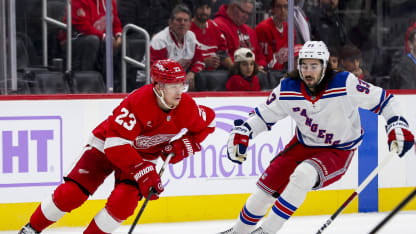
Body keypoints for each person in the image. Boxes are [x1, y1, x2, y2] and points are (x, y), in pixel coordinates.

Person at [218, 41, 414, 234]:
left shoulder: (344, 83)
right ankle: (238, 232)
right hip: (302, 145)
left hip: (338, 150)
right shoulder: (288, 87)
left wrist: (396, 124)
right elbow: (262, 116)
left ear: (325, 66)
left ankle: (267, 231)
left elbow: (386, 101)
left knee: (303, 175)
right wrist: (244, 131)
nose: (308, 71)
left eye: (314, 65)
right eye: (304, 65)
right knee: (264, 192)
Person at [19, 59, 216, 234]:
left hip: (143, 155)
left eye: (181, 84)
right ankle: (31, 229)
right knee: (73, 193)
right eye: (172, 85)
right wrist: (143, 170)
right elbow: (115, 146)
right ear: (157, 86)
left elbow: (209, 124)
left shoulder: (187, 107)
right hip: (106, 145)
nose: (179, 91)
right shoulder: (139, 101)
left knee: (124, 203)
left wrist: (184, 144)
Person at [150, 4, 205, 91]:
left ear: (190, 24)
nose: (182, 23)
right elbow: (155, 69)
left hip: (177, 79)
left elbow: (200, 61)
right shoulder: (160, 40)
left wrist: (192, 72)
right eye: (179, 20)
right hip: (152, 80)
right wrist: (179, 79)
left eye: (186, 20)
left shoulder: (191, 37)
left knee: (199, 77)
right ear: (170, 23)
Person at [62, 0, 123, 73]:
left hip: (99, 39)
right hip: (73, 40)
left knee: (121, 43)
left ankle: (106, 81)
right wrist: (104, 36)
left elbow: (115, 22)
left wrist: (118, 35)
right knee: (93, 40)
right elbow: (82, 26)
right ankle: (85, 77)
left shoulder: (110, 2)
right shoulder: (78, 1)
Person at [213, 0, 267, 70]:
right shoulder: (217, 26)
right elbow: (224, 57)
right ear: (232, 7)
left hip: (253, 74)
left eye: (248, 14)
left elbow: (260, 55)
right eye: (243, 12)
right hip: (234, 75)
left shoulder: (249, 30)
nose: (246, 17)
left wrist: (260, 66)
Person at [190, 0, 232, 71]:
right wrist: (204, 62)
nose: (204, 12)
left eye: (207, 8)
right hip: (193, 74)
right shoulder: (186, 28)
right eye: (201, 8)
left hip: (213, 74)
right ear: (195, 8)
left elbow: (222, 53)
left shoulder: (214, 26)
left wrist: (234, 68)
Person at [255, 0, 296, 71]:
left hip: (286, 71)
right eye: (279, 7)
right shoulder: (262, 28)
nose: (283, 10)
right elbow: (264, 58)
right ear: (273, 9)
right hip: (269, 72)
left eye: (286, 7)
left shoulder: (290, 29)